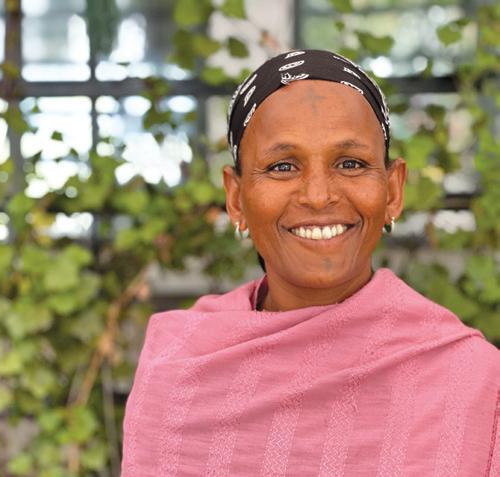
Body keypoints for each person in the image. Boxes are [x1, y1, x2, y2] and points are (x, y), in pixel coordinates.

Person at [120, 50, 500, 477]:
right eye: (282, 167)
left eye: (351, 164)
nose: (318, 196)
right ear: (236, 198)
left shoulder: (470, 380)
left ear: (393, 190)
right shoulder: (180, 369)